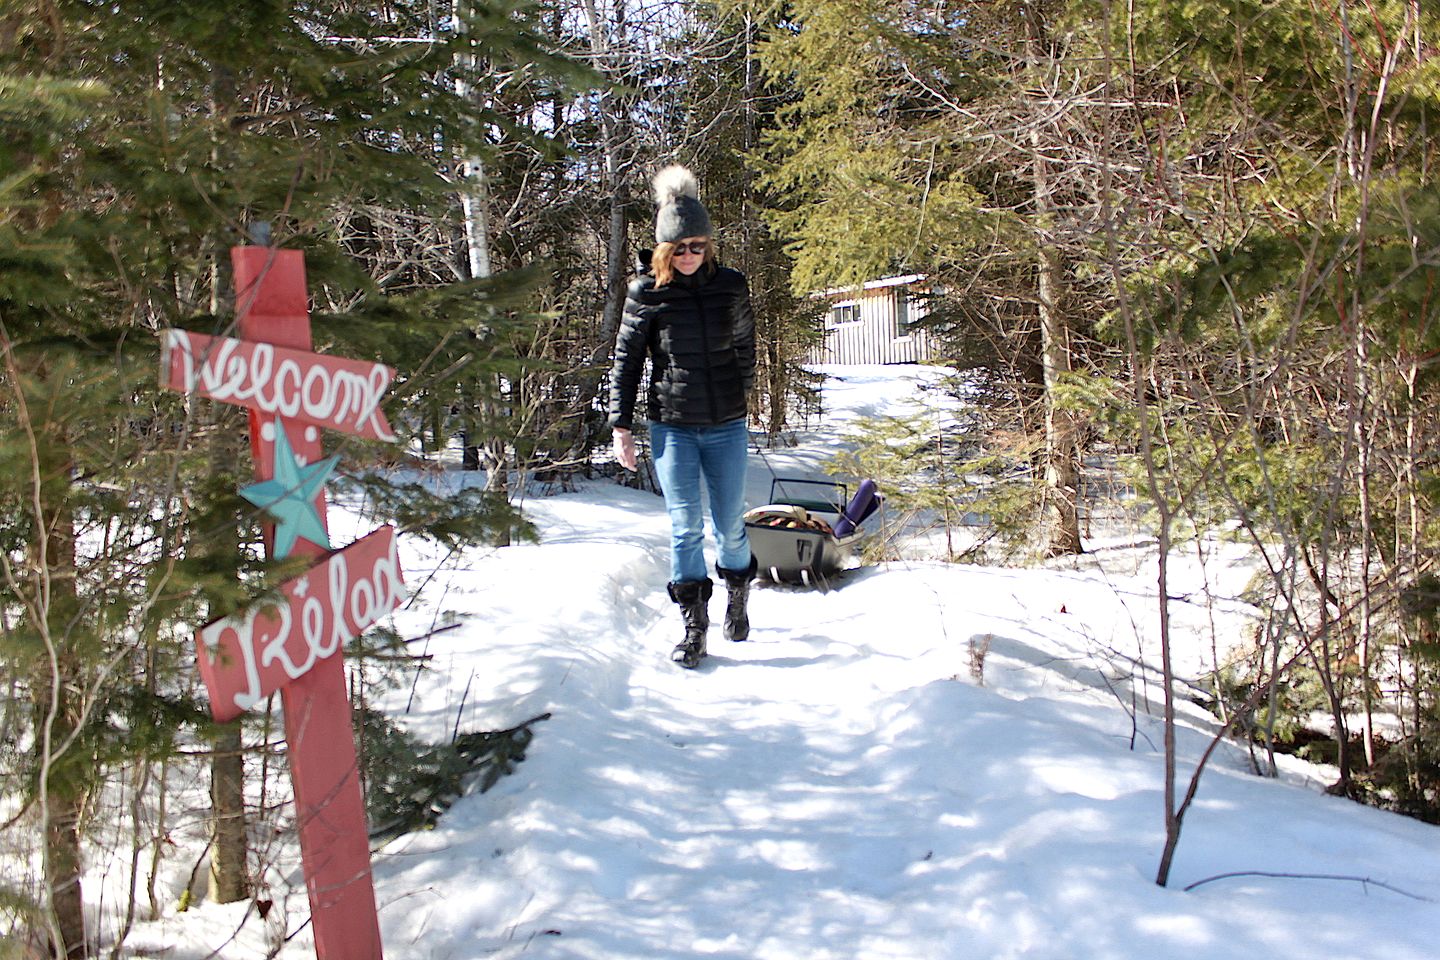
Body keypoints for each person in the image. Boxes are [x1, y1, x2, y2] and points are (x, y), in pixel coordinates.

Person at [607, 165, 757, 669]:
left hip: (726, 426)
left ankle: (738, 594)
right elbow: (627, 360)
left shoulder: (730, 286)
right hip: (672, 425)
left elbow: (745, 346)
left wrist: (739, 394)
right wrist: (621, 427)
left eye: (697, 245)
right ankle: (695, 629)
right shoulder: (646, 292)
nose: (689, 255)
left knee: (730, 524)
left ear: (708, 245)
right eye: (679, 248)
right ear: (663, 250)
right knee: (684, 526)